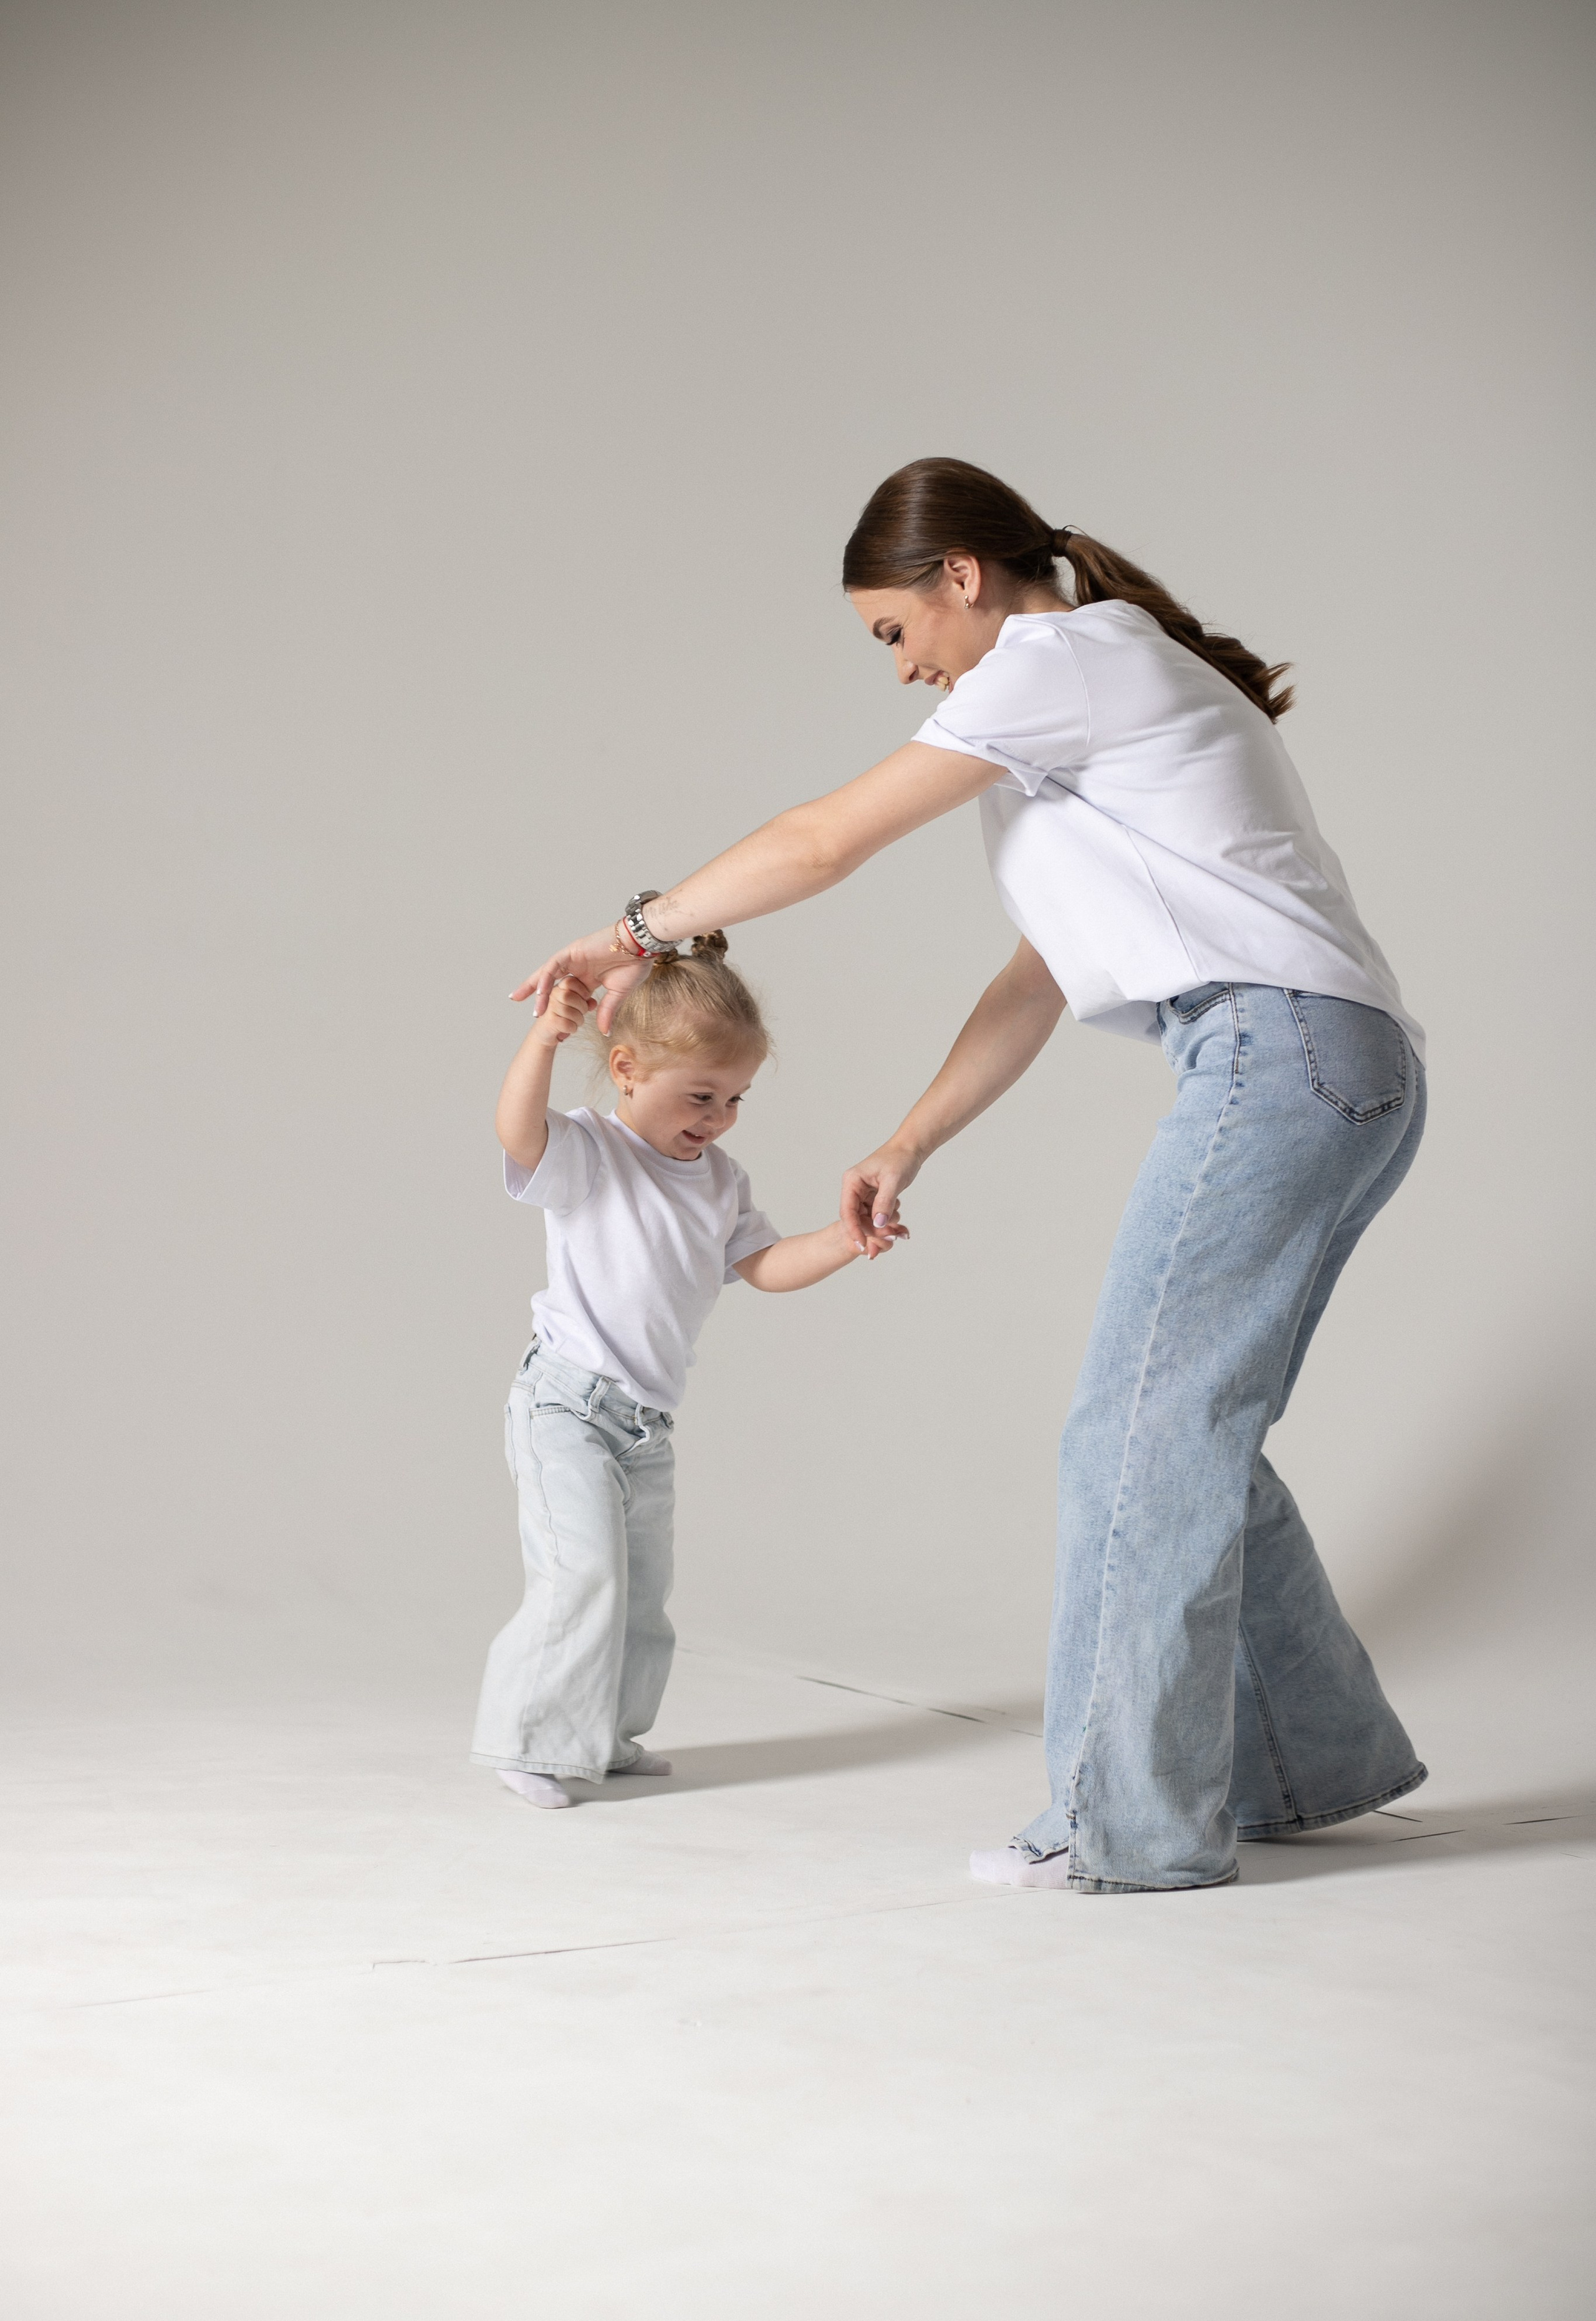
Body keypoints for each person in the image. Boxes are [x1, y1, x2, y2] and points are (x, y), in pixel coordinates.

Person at [516, 456, 1428, 1891]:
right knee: (1189, 1432)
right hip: (1323, 1060)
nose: (898, 669)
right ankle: (1307, 1767)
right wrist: (905, 1139)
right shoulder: (1081, 701)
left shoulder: (1060, 657)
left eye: (892, 631)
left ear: (960, 577)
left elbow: (823, 843)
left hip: (1278, 1055)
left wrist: (632, 931)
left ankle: (1116, 1822)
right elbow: (1036, 980)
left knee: (1133, 1432)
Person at [474, 934, 903, 1810]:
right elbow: (515, 1133)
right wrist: (544, 1041)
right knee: (582, 1573)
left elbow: (766, 1266)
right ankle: (532, 1741)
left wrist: (843, 1237)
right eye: (700, 1095)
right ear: (627, 1070)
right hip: (566, 1404)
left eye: (735, 1098)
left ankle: (608, 1735)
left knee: (640, 1597)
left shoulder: (720, 1183)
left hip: (646, 1422)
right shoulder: (592, 1152)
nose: (717, 1116)